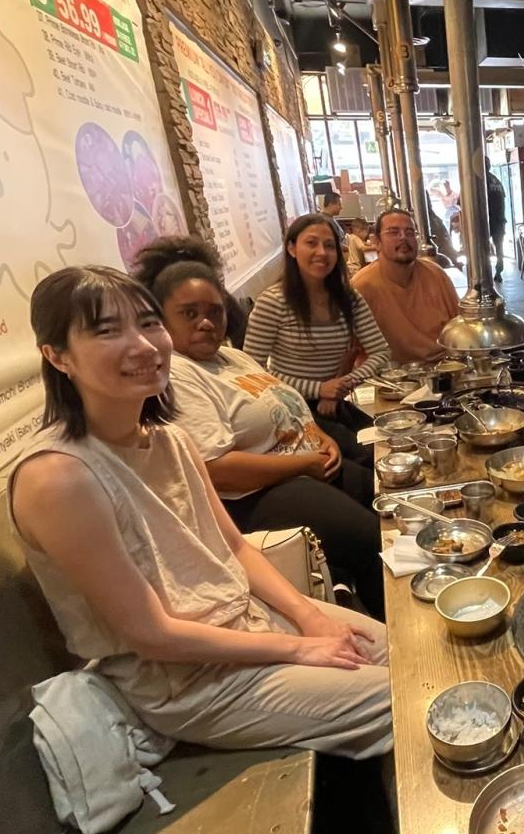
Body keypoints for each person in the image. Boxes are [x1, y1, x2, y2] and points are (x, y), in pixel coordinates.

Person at [9, 264, 392, 764]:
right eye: (107, 330)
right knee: (408, 699)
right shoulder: (58, 477)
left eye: (148, 324)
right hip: (188, 681)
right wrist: (299, 648)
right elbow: (152, 636)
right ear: (57, 356)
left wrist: (307, 616)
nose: (144, 345)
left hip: (253, 623)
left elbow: (232, 547)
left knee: (412, 655)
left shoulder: (170, 440)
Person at [133, 236, 384, 618]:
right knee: (371, 538)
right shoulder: (177, 373)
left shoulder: (230, 356)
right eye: (189, 313)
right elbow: (215, 471)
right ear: (160, 318)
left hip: (303, 465)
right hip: (255, 496)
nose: (205, 322)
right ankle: (399, 643)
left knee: (389, 493)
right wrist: (305, 463)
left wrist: (317, 436)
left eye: (215, 312)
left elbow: (285, 404)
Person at [243, 213, 392, 427]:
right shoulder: (273, 301)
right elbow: (252, 372)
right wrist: (318, 389)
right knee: (361, 456)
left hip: (334, 403)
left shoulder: (348, 297)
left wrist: (341, 386)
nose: (322, 252)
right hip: (290, 411)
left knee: (383, 442)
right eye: (311, 243)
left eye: (329, 245)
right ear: (292, 248)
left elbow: (381, 352)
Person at [354, 208, 462, 363]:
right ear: (377, 242)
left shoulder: (436, 274)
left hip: (442, 368)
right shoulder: (362, 286)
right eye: (393, 232)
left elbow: (458, 327)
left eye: (410, 232)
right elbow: (353, 350)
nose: (403, 238)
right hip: (392, 377)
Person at [485, 159, 508, 279]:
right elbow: (502, 198)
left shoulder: (481, 181)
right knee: (499, 246)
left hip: (487, 220)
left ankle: (484, 273)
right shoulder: (496, 181)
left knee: (483, 248)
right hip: (500, 219)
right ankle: (499, 271)